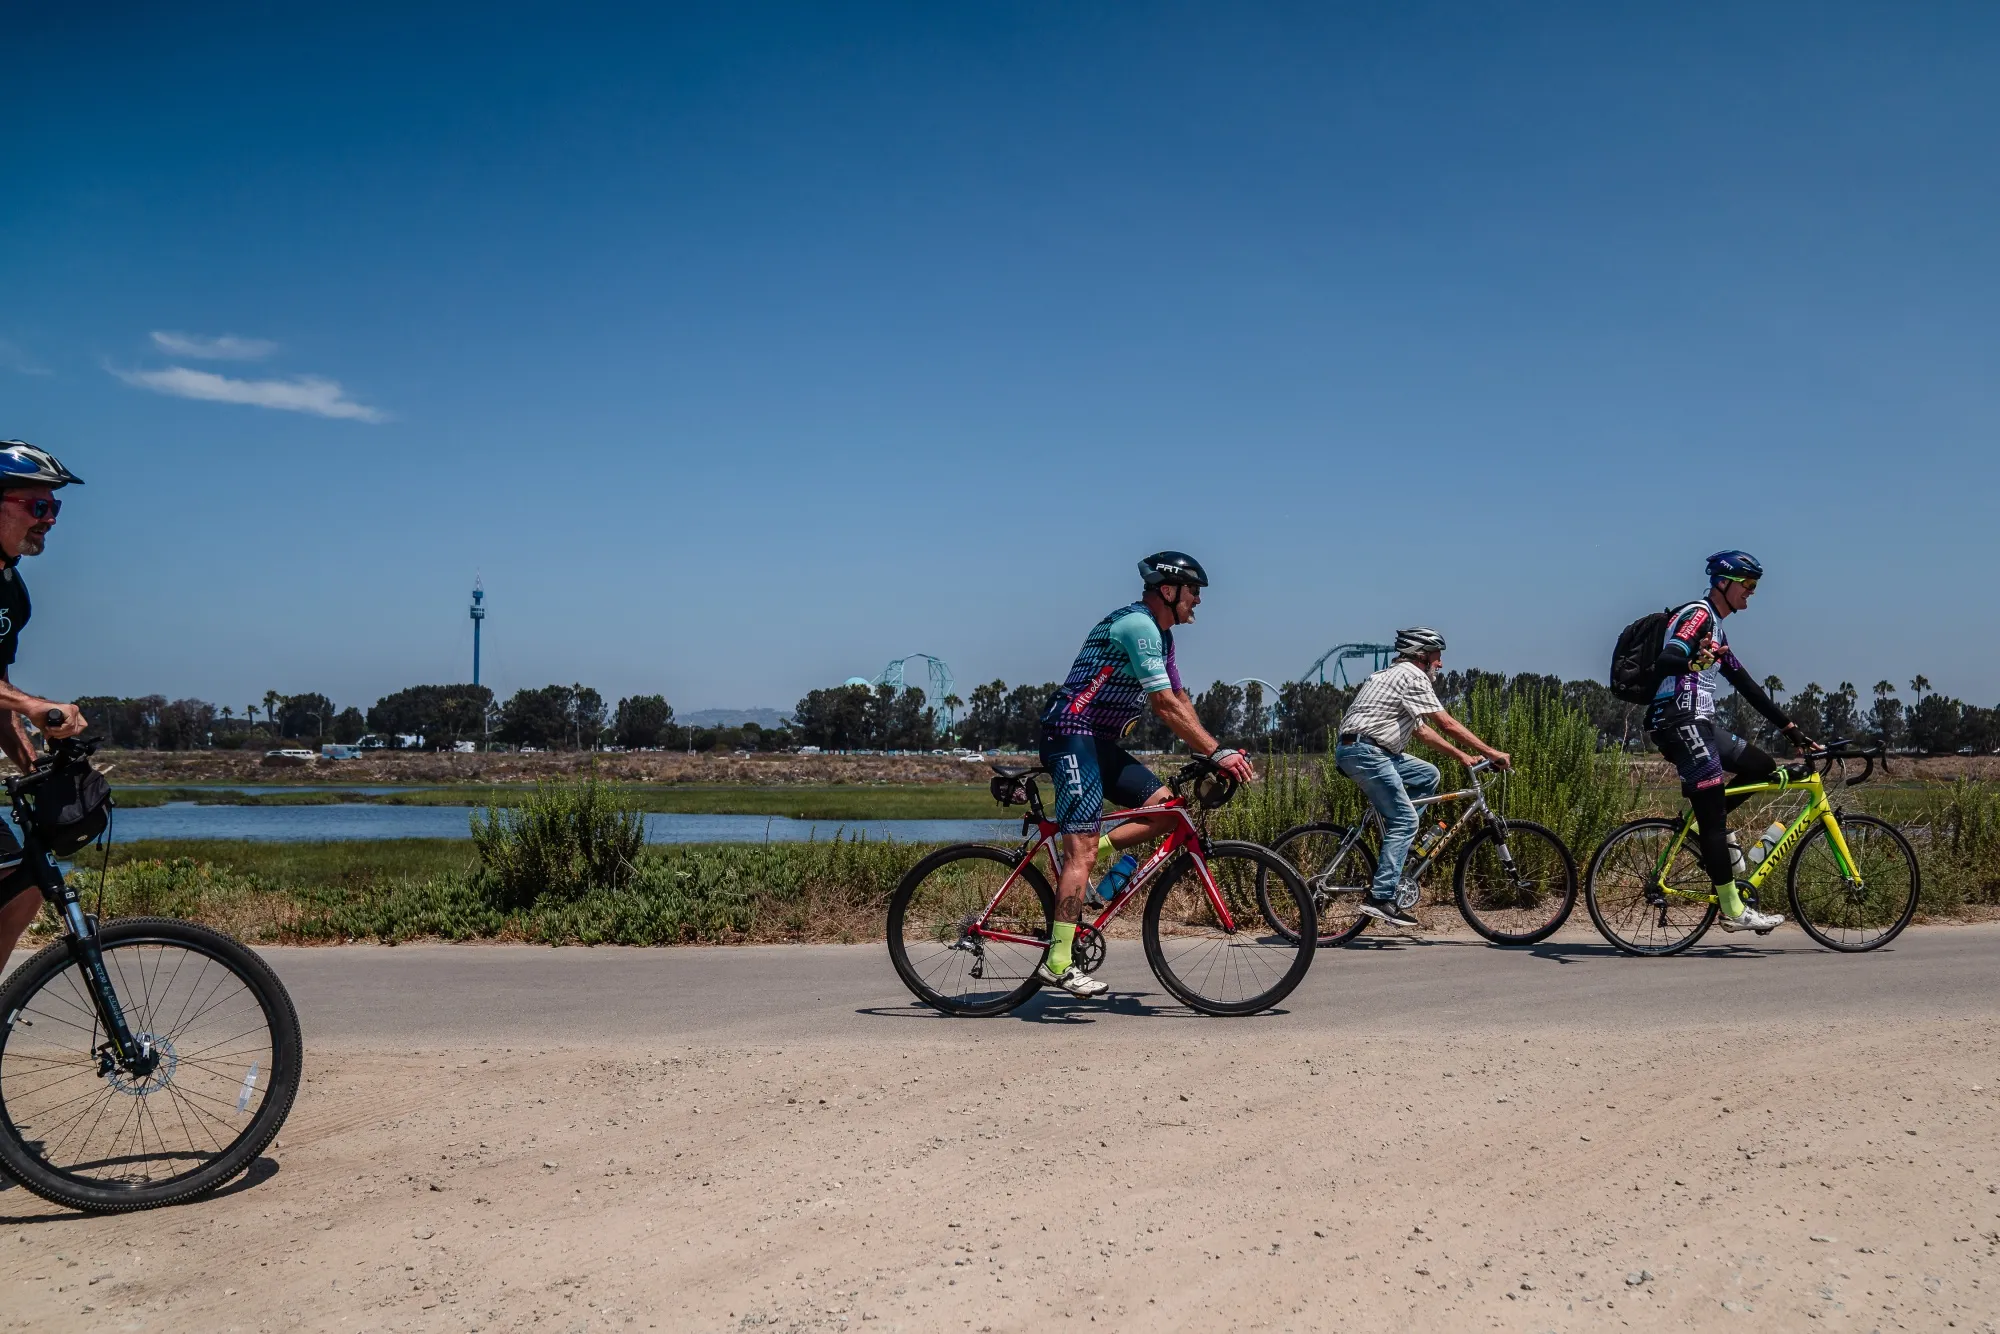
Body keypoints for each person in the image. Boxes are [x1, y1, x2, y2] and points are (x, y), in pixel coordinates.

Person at [1034, 552, 1257, 997]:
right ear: (1169, 590)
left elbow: (1180, 698)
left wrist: (1216, 751)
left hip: (1098, 742)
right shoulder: (1137, 626)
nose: (1198, 601)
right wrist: (1217, 752)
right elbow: (1164, 707)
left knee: (1167, 813)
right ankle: (1057, 962)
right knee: (1080, 856)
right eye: (1194, 591)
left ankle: (1092, 859)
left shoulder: (1163, 638)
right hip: (1070, 734)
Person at [1644, 550, 1814, 934]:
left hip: (1702, 723)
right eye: (1748, 585)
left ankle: (1706, 825)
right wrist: (1692, 661)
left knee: (1762, 766)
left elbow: (1746, 684)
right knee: (1715, 820)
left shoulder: (1717, 630)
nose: (1751, 593)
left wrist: (1790, 728)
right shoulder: (1698, 615)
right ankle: (1733, 909)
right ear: (1724, 583)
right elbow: (1668, 658)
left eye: (1754, 587)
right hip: (1680, 720)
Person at [1333, 628, 1510, 928]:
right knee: (1405, 820)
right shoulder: (1412, 676)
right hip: (1369, 752)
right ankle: (1381, 897)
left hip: (1362, 749)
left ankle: (1399, 846)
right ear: (1422, 656)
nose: (1440, 664)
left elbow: (1423, 731)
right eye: (1437, 657)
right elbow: (1446, 723)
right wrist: (1491, 752)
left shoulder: (1389, 676)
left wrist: (1463, 757)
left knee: (1429, 775)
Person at [0, 441, 90, 975]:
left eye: (55, 508)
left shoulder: (12, 593)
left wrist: (37, 769)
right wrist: (35, 704)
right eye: (39, 506)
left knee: (24, 885)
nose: (50, 520)